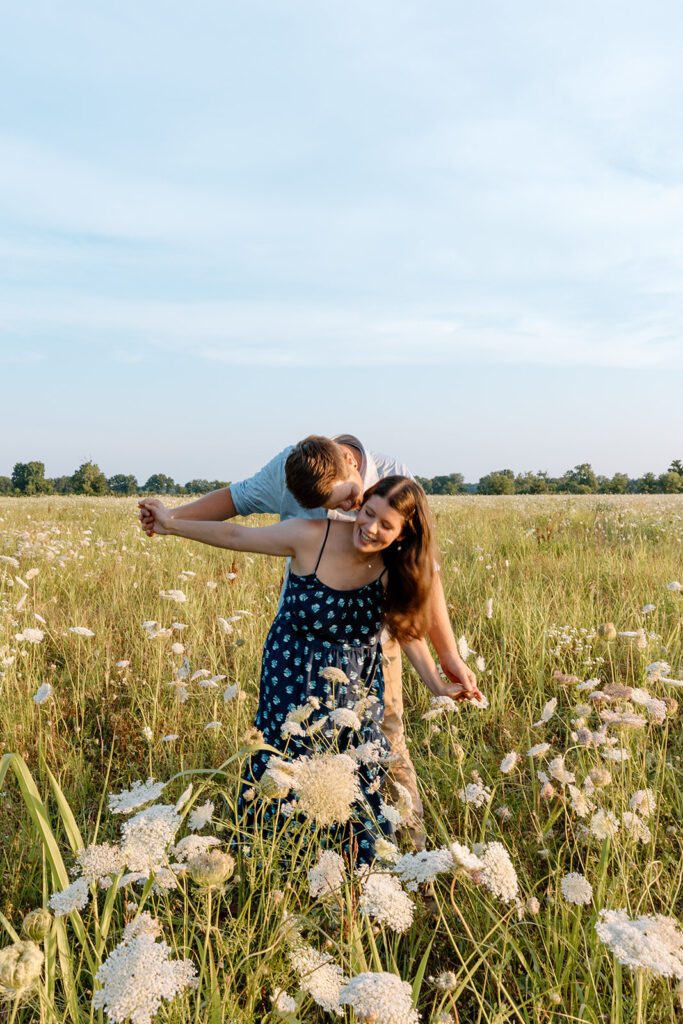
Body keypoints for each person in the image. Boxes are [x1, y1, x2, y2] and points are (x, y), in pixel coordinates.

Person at [139, 434, 481, 847]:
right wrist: (171, 520)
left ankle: (400, 856)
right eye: (361, 511)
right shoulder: (301, 507)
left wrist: (444, 668)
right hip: (294, 657)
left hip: (362, 662)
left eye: (379, 520)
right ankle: (277, 858)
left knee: (377, 753)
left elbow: (414, 611)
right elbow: (236, 521)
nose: (359, 520)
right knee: (283, 761)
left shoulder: (395, 500)